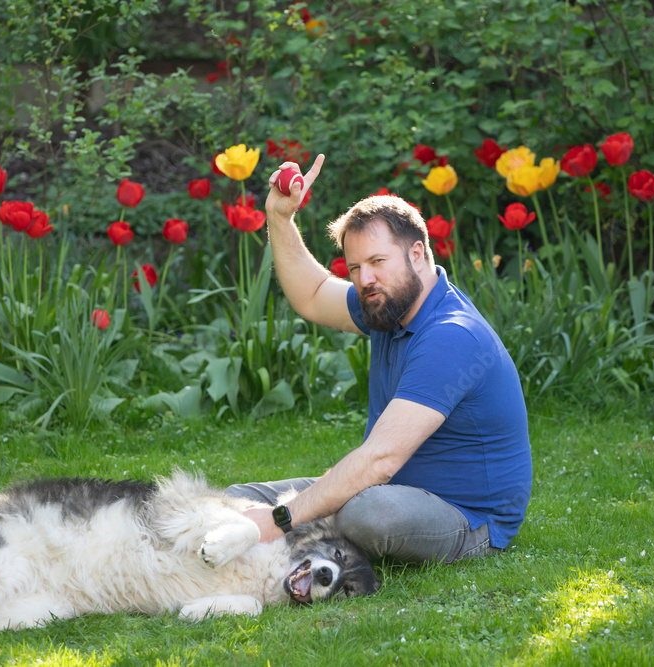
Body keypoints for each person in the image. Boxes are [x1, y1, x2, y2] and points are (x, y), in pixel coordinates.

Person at [226, 154, 532, 564]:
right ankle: (302, 522)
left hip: (467, 517)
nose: (365, 278)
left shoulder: (450, 336)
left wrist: (277, 520)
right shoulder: (387, 305)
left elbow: (381, 461)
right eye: (354, 267)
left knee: (366, 514)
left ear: (418, 254)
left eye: (377, 262)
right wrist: (280, 219)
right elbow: (314, 294)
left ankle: (295, 530)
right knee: (233, 500)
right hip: (386, 487)